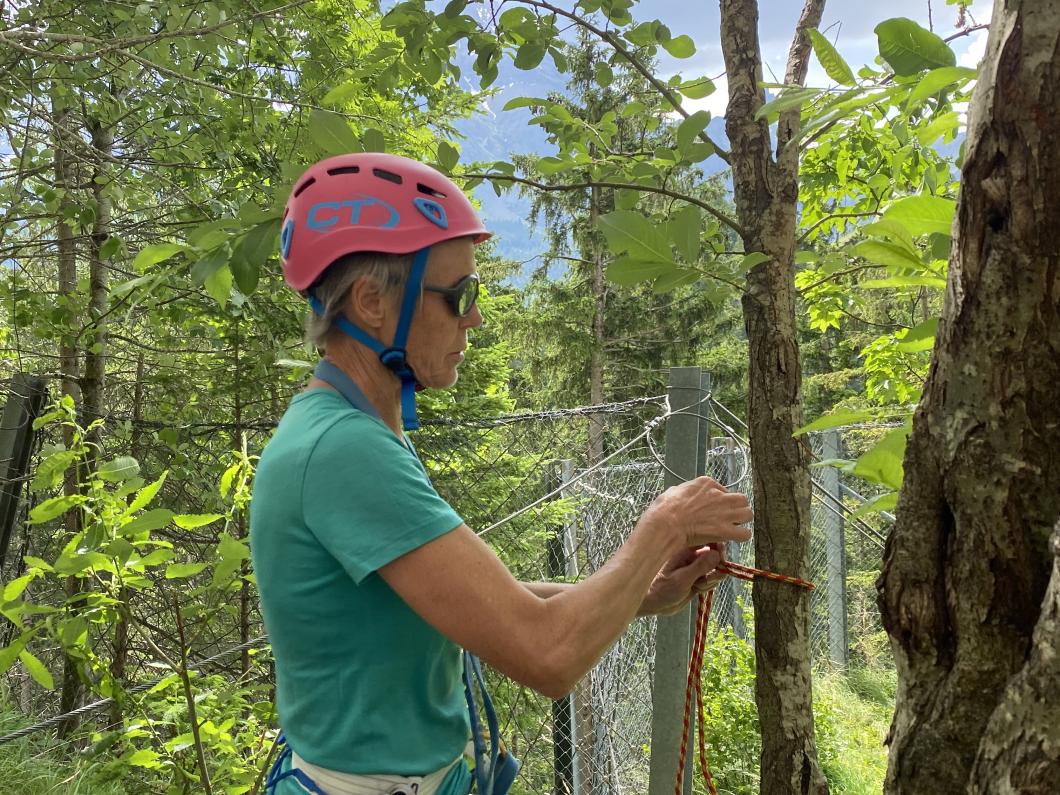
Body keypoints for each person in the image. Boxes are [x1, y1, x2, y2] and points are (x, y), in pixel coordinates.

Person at [249, 152, 753, 795]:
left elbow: (480, 604)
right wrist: (666, 524)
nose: (474, 317)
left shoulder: (347, 428)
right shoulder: (343, 450)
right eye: (459, 295)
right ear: (372, 302)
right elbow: (547, 654)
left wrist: (640, 593)